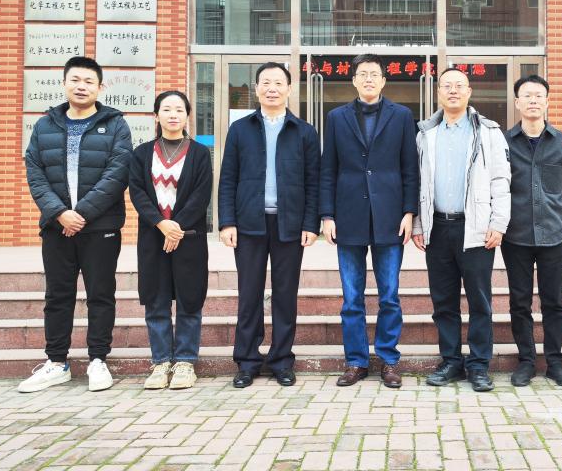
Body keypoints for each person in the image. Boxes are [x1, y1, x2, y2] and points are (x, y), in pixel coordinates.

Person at [21, 56, 132, 393]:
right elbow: (35, 173)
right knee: (58, 295)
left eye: (88, 81)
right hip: (57, 227)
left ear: (100, 87)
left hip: (100, 226)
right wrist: (59, 213)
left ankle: (98, 359)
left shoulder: (116, 125)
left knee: (101, 294)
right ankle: (57, 362)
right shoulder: (45, 125)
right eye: (75, 80)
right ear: (65, 83)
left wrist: (79, 213)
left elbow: (118, 173)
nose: (81, 86)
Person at [218, 62, 320, 388]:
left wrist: (310, 223)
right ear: (257, 88)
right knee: (249, 294)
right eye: (265, 82)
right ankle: (247, 361)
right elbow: (228, 178)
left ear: (289, 89)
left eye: (278, 82)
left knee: (285, 295)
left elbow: (313, 183)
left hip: (289, 224)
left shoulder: (304, 132)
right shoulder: (240, 129)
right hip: (249, 223)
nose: (272, 88)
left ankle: (281, 361)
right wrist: (227, 221)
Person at [320, 54, 419, 389]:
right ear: (353, 80)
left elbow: (410, 167)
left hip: (390, 217)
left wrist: (409, 212)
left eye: (374, 74)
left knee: (389, 295)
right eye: (362, 74)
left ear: (384, 80)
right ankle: (356, 361)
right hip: (348, 215)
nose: (368, 79)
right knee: (352, 297)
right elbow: (328, 168)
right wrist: (327, 215)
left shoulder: (401, 116)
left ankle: (389, 360)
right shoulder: (336, 117)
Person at [412, 67, 511, 392]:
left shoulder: (488, 131)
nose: (453, 91)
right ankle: (451, 361)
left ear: (469, 92)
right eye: (447, 86)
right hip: (438, 228)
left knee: (480, 301)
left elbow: (501, 180)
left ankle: (479, 365)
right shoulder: (425, 133)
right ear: (438, 92)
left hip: (476, 228)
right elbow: (418, 183)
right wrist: (419, 223)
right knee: (444, 301)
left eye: (459, 86)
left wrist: (498, 223)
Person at [129, 91, 212, 390]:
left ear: (187, 115)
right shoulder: (142, 153)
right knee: (156, 300)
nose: (173, 114)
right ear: (156, 115)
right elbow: (137, 191)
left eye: (179, 109)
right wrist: (161, 224)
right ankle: (161, 361)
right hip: (153, 237)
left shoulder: (199, 153)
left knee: (189, 299)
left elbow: (201, 194)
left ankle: (186, 362)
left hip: (188, 238)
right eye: (167, 109)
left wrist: (176, 228)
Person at [501, 75, 562, 387]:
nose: (533, 100)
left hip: (553, 234)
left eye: (538, 95)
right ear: (517, 102)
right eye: (527, 95)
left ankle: (555, 362)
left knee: (553, 301)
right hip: (515, 234)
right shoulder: (503, 143)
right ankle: (527, 361)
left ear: (547, 101)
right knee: (520, 301)